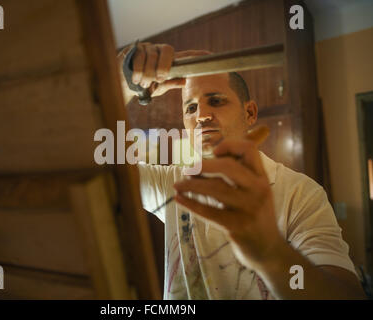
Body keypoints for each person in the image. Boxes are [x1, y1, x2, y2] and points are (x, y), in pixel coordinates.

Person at [117, 42, 366, 299]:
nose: (201, 115)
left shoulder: (301, 194)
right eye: (190, 108)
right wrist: (120, 85)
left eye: (215, 100)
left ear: (250, 113)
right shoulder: (172, 184)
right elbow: (91, 164)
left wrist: (270, 253)